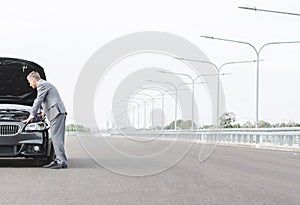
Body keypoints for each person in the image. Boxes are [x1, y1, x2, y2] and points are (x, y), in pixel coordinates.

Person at [22, 71, 68, 169]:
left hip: (57, 112)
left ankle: (61, 161)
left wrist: (31, 115)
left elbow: (38, 100)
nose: (30, 84)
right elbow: (49, 99)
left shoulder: (42, 85)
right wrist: (44, 112)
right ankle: (58, 159)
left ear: (34, 80)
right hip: (56, 112)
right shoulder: (45, 85)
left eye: (29, 82)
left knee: (56, 137)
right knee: (56, 137)